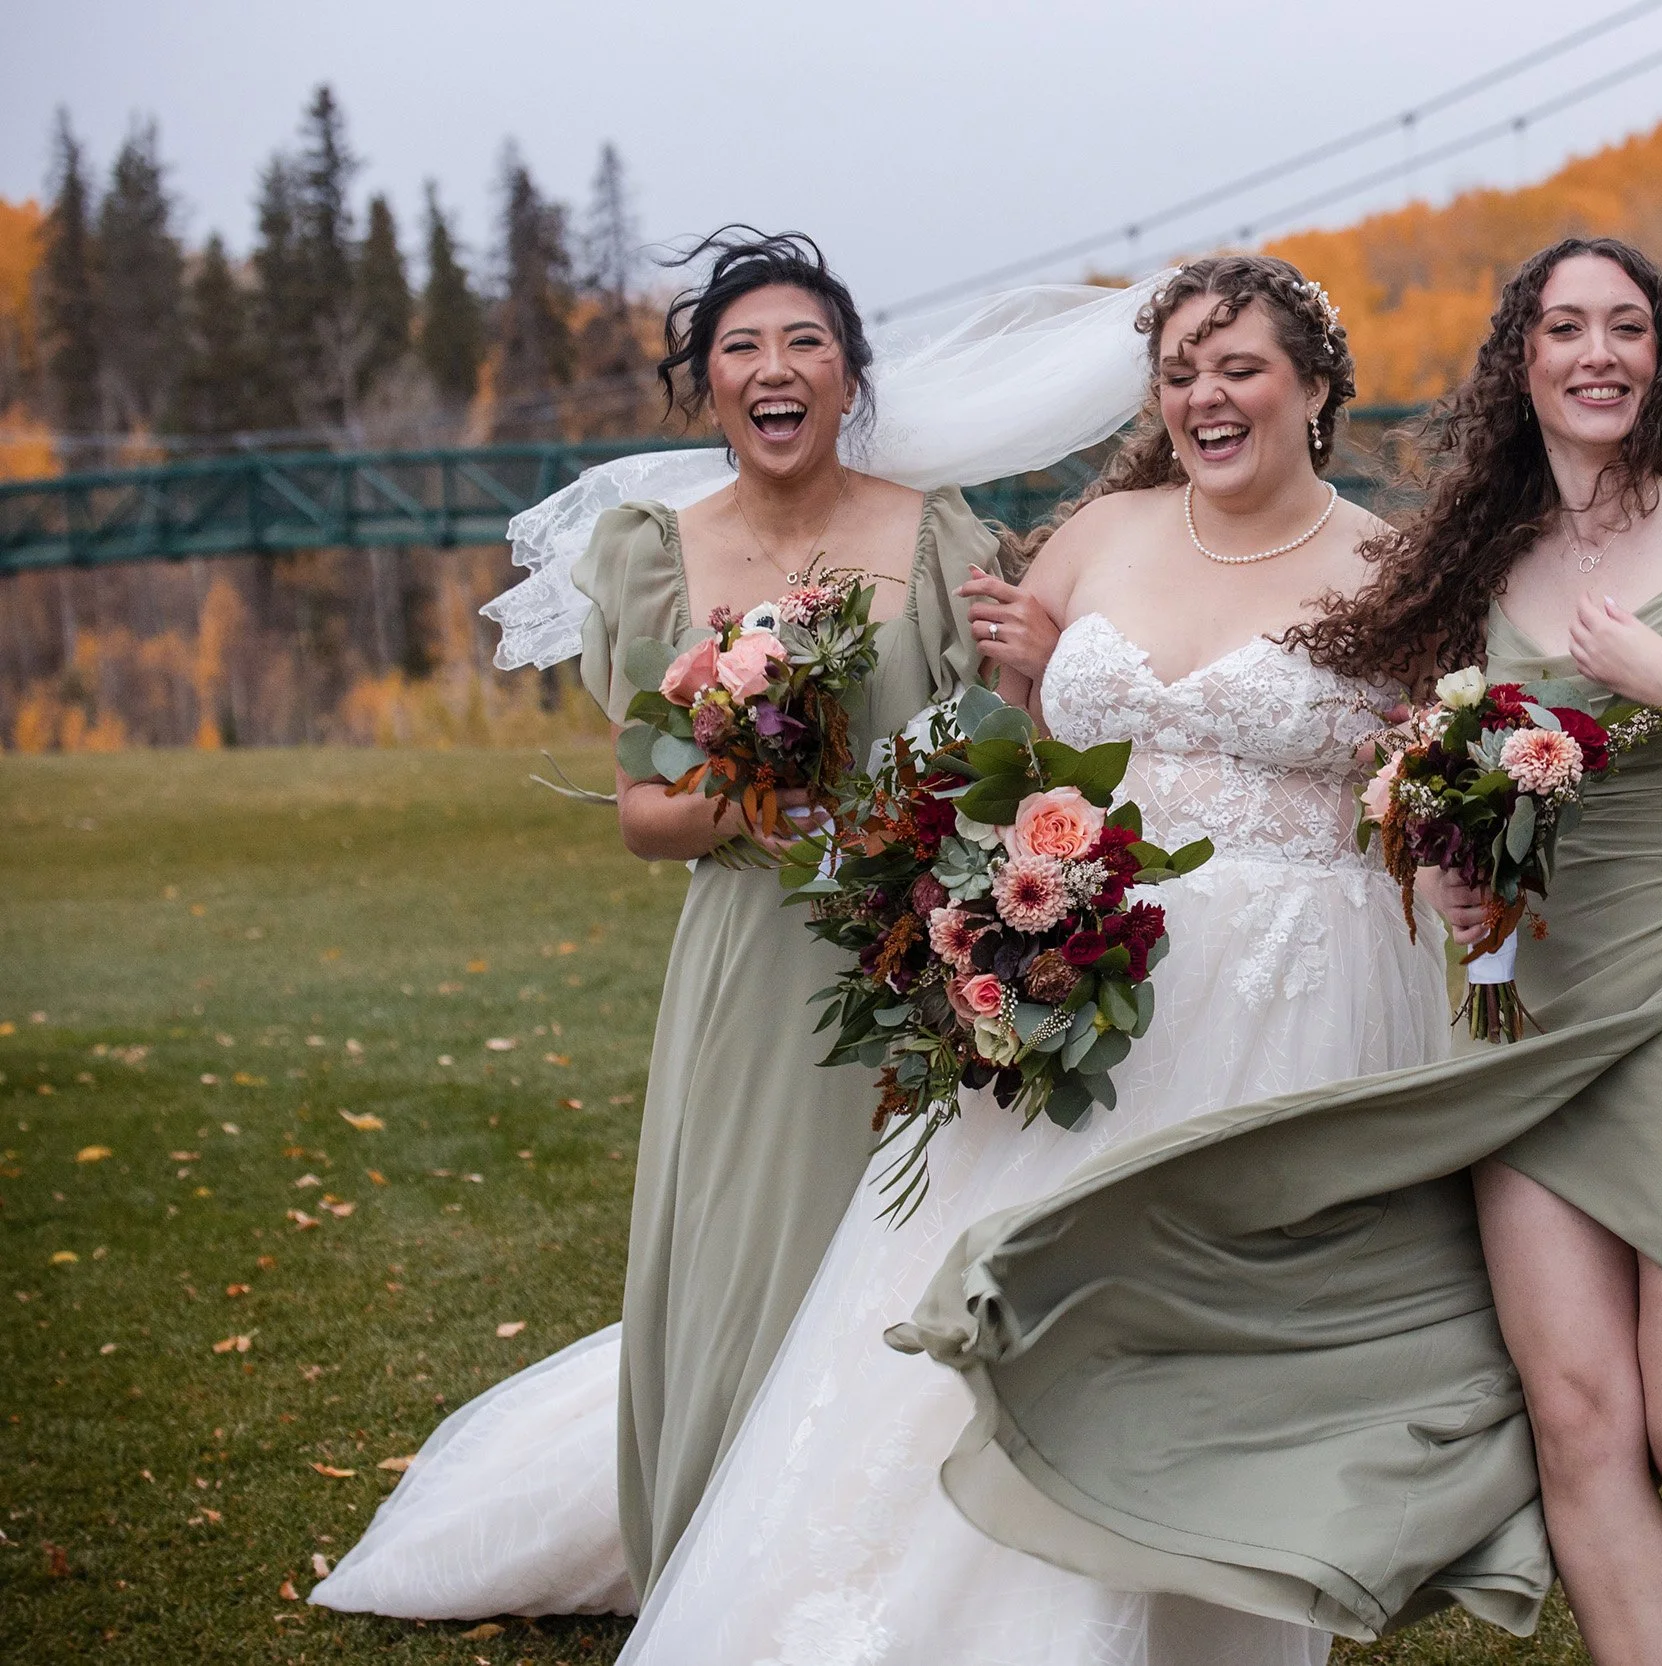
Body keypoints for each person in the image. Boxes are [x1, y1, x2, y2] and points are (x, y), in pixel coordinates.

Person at [908, 237, 1662, 1666]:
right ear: (1521, 361)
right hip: (1527, 1013)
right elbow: (1412, 764)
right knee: (1578, 1419)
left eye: (1627, 327)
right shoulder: (1472, 564)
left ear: (1661, 357)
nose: (1598, 352)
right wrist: (1451, 865)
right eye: (1566, 327)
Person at [612, 254, 1460, 1666]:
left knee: (1214, 1342)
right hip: (1091, 980)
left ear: (1316, 386)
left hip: (1298, 996)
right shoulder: (1096, 534)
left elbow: (1420, 797)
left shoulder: (1392, 572)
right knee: (1009, 1303)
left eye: (1238, 367)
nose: (1204, 396)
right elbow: (1004, 752)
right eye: (1178, 372)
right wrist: (976, 899)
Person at [312, 236, 1149, 1621]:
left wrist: (1029, 678)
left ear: (850, 379)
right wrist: (761, 789)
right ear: (706, 385)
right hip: (750, 958)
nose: (775, 368)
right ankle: (722, 1560)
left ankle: (894, 1578)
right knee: (749, 1248)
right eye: (742, 347)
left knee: (903, 1248)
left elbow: (1001, 756)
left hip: (914, 950)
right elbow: (647, 815)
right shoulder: (656, 556)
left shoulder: (938, 538)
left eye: (806, 343)